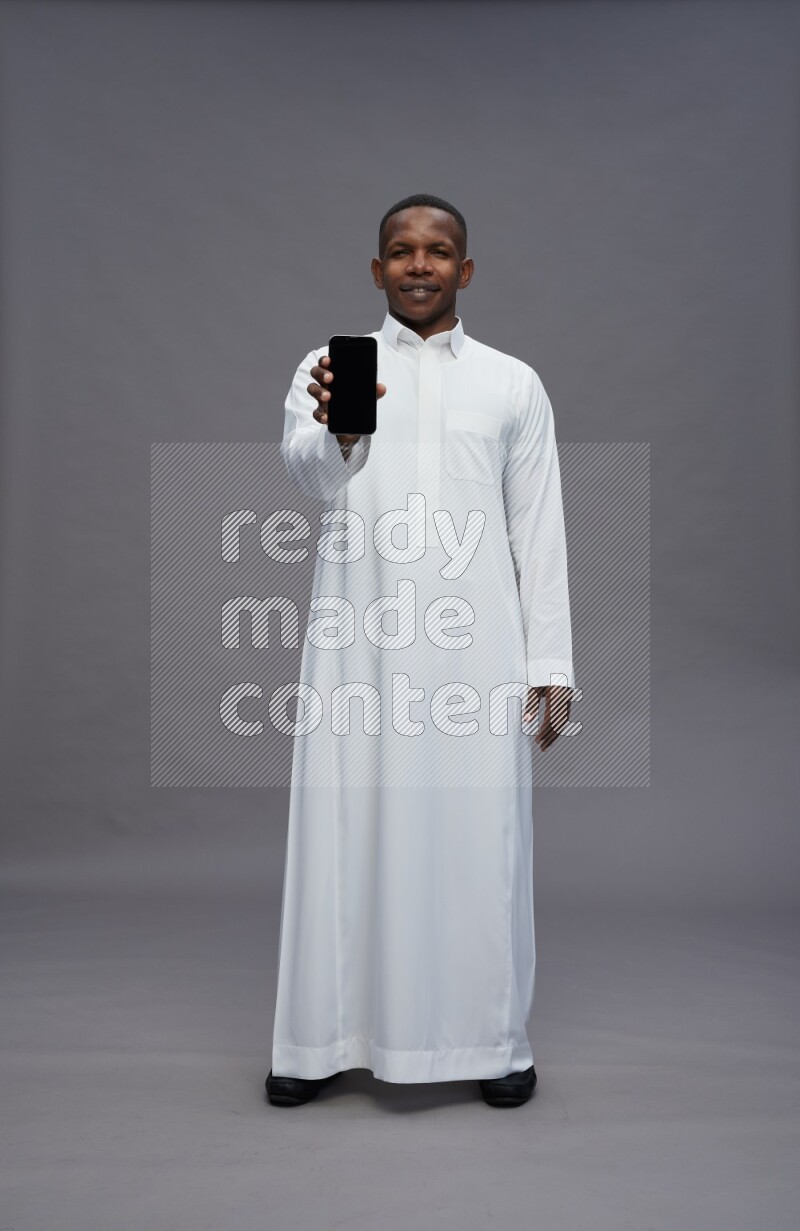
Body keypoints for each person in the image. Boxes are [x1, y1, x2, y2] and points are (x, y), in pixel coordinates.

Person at [266, 193, 574, 1110]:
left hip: (475, 652)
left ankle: (491, 1040)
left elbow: (540, 529)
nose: (418, 264)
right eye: (399, 251)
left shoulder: (513, 383)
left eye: (438, 251)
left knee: (482, 840)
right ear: (376, 271)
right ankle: (318, 1040)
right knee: (344, 831)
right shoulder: (327, 369)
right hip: (358, 642)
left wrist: (550, 668)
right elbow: (308, 474)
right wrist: (342, 431)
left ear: (465, 271)